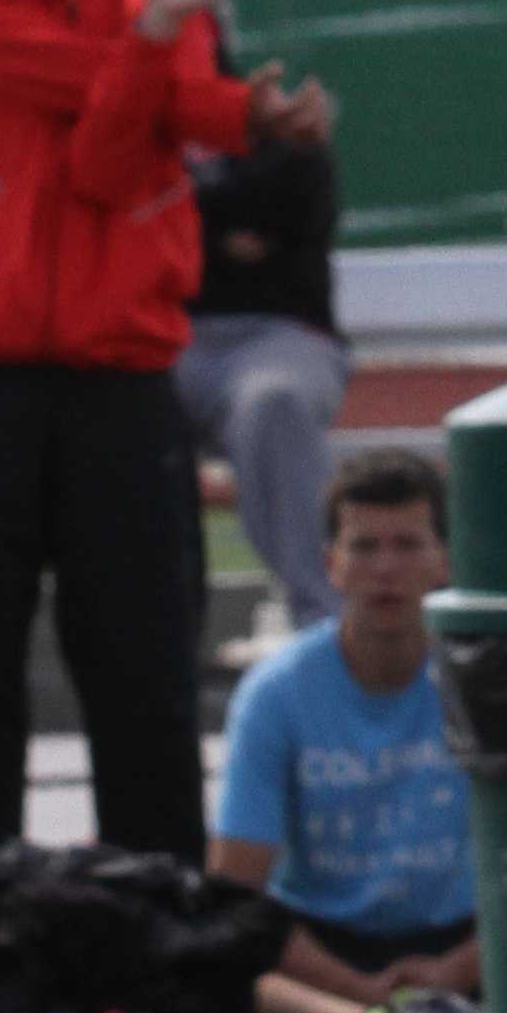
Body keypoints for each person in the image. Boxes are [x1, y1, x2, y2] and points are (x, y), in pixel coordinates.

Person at [0, 0, 330, 885]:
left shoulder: (152, 14)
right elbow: (149, 105)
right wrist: (190, 80)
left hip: (122, 381)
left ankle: (157, 923)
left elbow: (101, 159)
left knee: (143, 672)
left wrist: (211, 91)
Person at [210, 446, 482, 1013]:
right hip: (321, 949)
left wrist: (455, 971)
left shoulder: (484, 683)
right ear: (332, 564)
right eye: (365, 547)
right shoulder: (275, 694)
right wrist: (352, 987)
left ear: (444, 563)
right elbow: (234, 891)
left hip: (459, 947)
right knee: (204, 961)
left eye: (407, 545)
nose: (385, 569)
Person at [178, 90, 351, 650]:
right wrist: (219, 234)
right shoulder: (137, 127)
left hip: (281, 339)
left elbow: (301, 207)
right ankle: (159, 637)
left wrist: (193, 225)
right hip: (162, 338)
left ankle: (323, 627)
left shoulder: (283, 137)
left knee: (275, 402)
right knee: (117, 408)